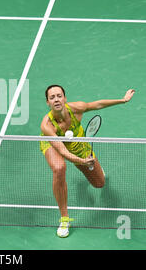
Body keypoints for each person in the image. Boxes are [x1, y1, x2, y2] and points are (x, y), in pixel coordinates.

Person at [40, 85, 135, 238]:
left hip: (77, 140)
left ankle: (91, 166)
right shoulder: (47, 125)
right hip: (53, 143)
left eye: (59, 96)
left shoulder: (76, 109)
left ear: (65, 98)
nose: (56, 99)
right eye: (52, 97)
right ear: (48, 102)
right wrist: (82, 161)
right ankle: (65, 219)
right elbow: (63, 151)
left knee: (100, 183)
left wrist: (123, 100)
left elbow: (97, 104)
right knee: (59, 168)